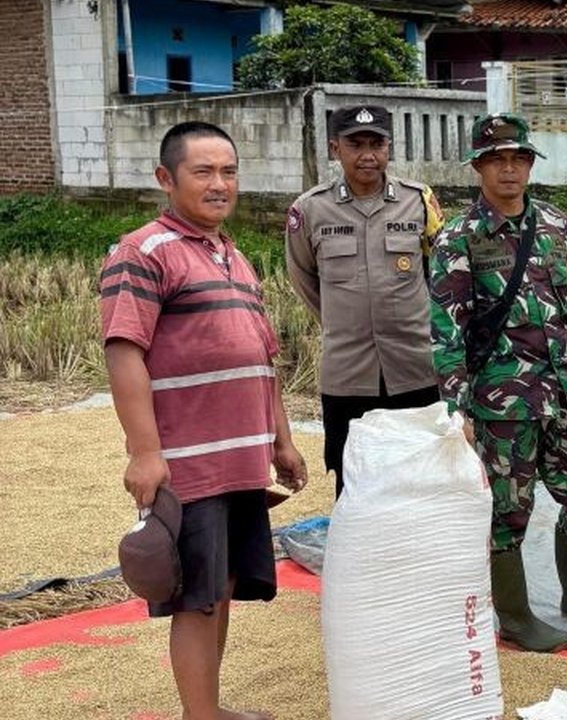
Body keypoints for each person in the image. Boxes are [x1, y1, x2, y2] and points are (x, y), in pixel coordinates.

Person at [100, 121, 308, 720]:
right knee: (195, 598)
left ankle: (209, 709)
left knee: (218, 593)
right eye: (203, 172)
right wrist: (145, 452)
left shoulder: (233, 255)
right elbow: (124, 351)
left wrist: (282, 440)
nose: (220, 184)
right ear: (167, 179)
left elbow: (260, 356)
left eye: (229, 172)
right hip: (190, 462)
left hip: (239, 459)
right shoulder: (140, 252)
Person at [429, 113, 567, 653]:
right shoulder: (459, 237)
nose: (508, 169)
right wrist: (458, 408)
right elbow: (445, 330)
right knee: (507, 513)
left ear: (529, 164)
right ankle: (517, 617)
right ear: (478, 166)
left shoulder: (557, 225)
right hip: (503, 401)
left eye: (518, 158)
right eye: (497, 159)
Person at [285, 105, 446, 498]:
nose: (368, 154)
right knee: (352, 478)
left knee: (421, 475)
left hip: (415, 368)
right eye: (356, 144)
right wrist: (343, 321)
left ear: (389, 147)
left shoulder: (418, 201)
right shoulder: (310, 209)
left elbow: (440, 274)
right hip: (347, 375)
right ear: (335, 148)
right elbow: (303, 276)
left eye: (377, 143)